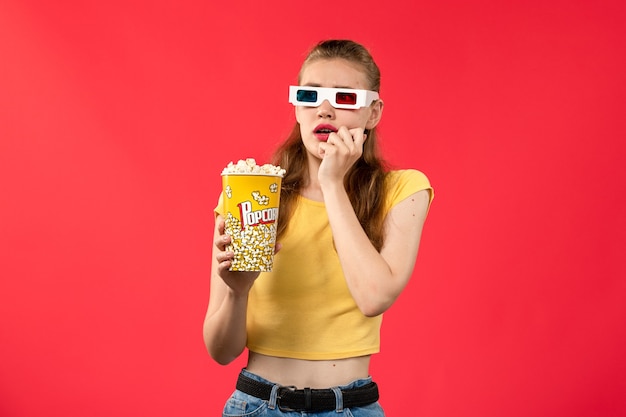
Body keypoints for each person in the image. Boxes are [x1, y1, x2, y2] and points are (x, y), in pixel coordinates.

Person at [203, 39, 434, 416]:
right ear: (296, 107)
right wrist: (237, 292)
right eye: (309, 95)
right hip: (258, 405)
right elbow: (221, 351)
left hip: (351, 408)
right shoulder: (255, 192)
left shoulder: (404, 190)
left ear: (373, 112)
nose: (323, 108)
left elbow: (374, 297)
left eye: (344, 98)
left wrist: (332, 183)